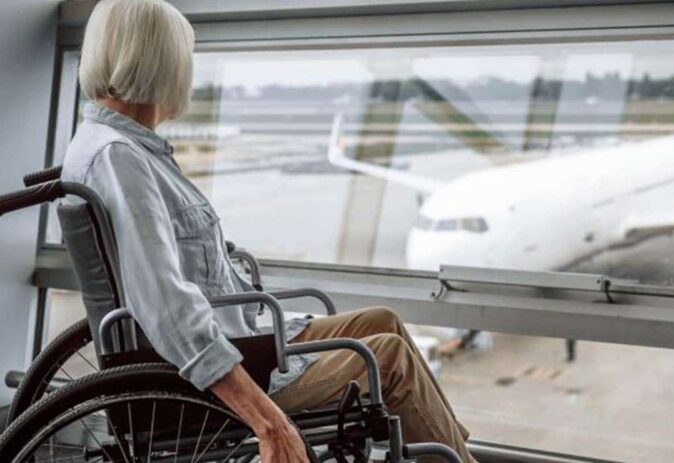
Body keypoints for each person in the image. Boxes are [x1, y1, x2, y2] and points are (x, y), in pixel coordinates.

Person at [62, 1, 475, 461]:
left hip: (232, 331)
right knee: (390, 360)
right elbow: (165, 305)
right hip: (205, 372)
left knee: (380, 321)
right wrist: (267, 419)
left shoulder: (113, 146)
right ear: (164, 63)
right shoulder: (121, 159)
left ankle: (455, 447)